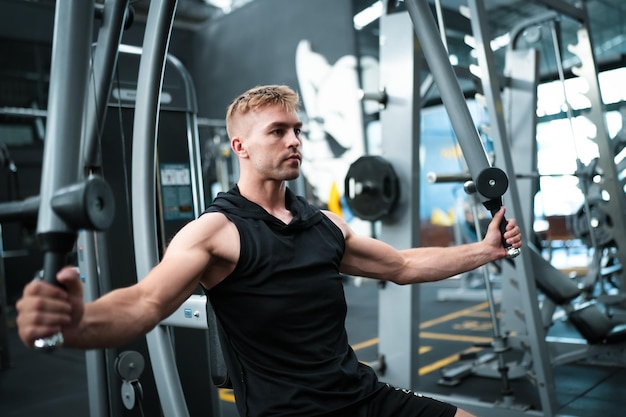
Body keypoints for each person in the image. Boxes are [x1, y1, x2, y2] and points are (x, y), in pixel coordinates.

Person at [17, 85, 522, 417]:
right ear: (240, 147)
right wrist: (77, 325)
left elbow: (403, 265)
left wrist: (485, 250)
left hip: (362, 397)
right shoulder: (216, 232)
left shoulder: (322, 224)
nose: (293, 141)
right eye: (278, 132)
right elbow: (145, 303)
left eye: (297, 130)